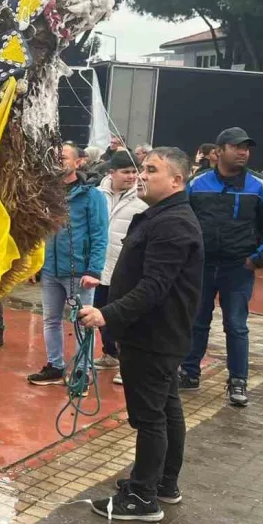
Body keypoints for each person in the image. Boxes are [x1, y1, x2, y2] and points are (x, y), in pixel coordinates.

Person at [79, 147, 203, 523]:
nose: (141, 176)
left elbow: (154, 287)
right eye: (142, 168)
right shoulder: (161, 216)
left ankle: (143, 498)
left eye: (151, 170)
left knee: (150, 418)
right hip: (157, 336)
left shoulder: (173, 223)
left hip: (153, 337)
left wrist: (105, 314)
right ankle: (162, 483)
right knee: (165, 410)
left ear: (176, 180)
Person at [181, 127, 263, 407]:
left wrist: (257, 258)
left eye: (246, 148)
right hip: (201, 267)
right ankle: (189, 373)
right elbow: (181, 217)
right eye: (237, 147)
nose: (243, 152)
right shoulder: (197, 183)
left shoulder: (259, 185)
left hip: (238, 268)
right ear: (218, 151)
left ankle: (238, 381)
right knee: (196, 322)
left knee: (236, 326)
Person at [28, 142, 109, 386]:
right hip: (51, 270)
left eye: (62, 157)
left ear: (78, 162)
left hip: (79, 273)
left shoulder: (92, 196)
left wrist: (94, 269)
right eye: (53, 158)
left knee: (83, 322)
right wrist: (35, 265)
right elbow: (38, 231)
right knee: (50, 319)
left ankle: (83, 371)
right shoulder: (46, 194)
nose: (57, 162)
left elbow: (99, 234)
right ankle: (55, 365)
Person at [93, 151, 148, 383]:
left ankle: (128, 363)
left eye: (135, 172)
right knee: (98, 311)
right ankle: (109, 354)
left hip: (123, 268)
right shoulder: (96, 195)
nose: (132, 176)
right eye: (126, 172)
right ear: (111, 172)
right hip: (97, 267)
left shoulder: (142, 199)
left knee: (123, 316)